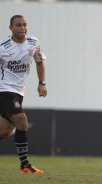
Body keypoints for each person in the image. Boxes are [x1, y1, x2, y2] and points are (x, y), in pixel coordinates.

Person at [0, 15, 47, 174]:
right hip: (4, 90)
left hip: (19, 92)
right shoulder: (3, 46)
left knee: (4, 131)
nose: (22, 28)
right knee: (22, 121)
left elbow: (40, 63)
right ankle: (25, 165)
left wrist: (41, 83)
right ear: (11, 28)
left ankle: (24, 165)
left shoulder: (34, 43)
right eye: (18, 25)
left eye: (24, 25)